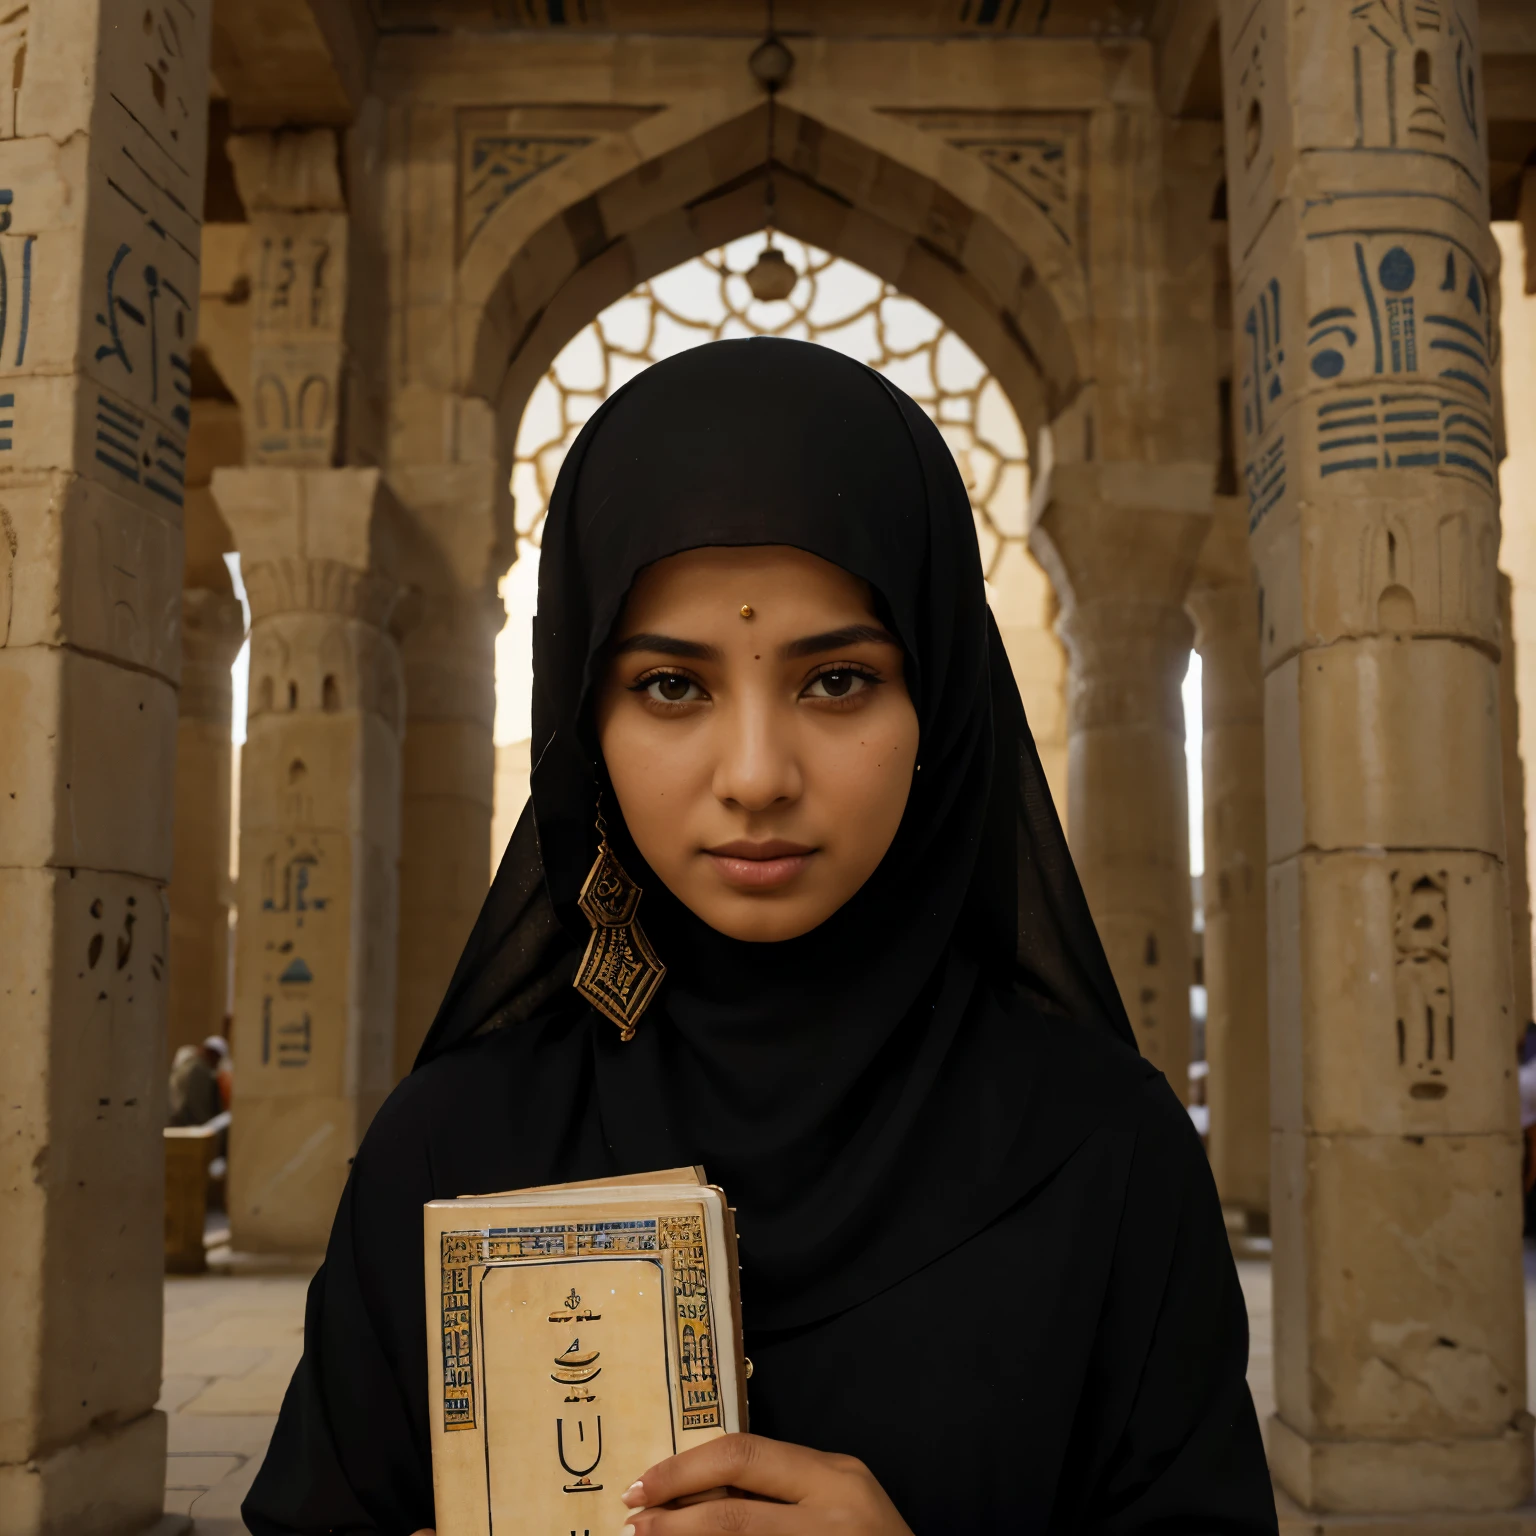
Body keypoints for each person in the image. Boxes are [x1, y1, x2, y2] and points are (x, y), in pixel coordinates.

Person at [244, 339, 1277, 1535]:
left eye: (836, 680)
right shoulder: (454, 1151)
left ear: (940, 697)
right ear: (584, 721)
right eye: (671, 688)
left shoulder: (1104, 1158)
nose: (756, 777)